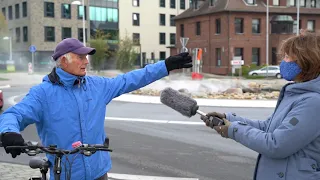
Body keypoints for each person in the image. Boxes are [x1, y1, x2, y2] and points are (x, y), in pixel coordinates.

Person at [0, 38, 192, 180]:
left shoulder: (97, 86)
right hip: (65, 175)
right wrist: (9, 132)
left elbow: (130, 79)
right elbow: (14, 114)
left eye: (86, 57)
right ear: (64, 61)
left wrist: (165, 66)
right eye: (80, 57)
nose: (86, 61)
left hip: (99, 172)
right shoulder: (42, 93)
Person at [201, 31, 320, 180]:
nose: (283, 61)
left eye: (287, 56)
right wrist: (228, 118)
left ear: (305, 61)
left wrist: (232, 129)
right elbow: (266, 127)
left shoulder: (313, 102)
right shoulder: (297, 94)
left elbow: (277, 145)